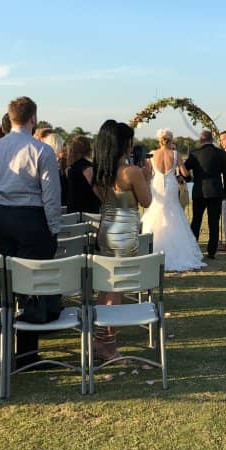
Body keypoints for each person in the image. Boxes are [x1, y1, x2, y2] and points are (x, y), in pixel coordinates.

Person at [0, 97, 62, 368]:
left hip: (2, 217)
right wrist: (53, 228)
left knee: (1, 285)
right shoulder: (41, 151)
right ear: (33, 119)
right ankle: (26, 354)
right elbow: (51, 195)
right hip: (31, 219)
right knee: (30, 286)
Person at [93, 120, 153, 362]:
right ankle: (108, 345)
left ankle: (99, 340)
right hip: (124, 234)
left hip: (106, 229)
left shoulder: (102, 171)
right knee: (117, 290)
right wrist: (147, 178)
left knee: (105, 287)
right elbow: (146, 202)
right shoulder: (131, 172)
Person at [141, 128, 204, 271]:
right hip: (170, 185)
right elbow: (184, 172)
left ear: (160, 140)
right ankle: (178, 250)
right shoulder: (175, 154)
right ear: (171, 140)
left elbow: (147, 173)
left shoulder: (152, 154)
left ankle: (153, 249)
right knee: (174, 213)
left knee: (155, 211)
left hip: (156, 185)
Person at [182, 129, 226, 261]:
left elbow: (184, 170)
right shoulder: (221, 153)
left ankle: (193, 248)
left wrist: (188, 179)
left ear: (201, 140)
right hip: (215, 192)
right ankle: (211, 251)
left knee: (196, 221)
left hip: (199, 191)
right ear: (212, 139)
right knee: (214, 222)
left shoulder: (194, 154)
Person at [65, 135, 101, 214]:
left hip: (73, 212)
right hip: (87, 213)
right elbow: (97, 190)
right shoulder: (86, 167)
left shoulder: (70, 168)